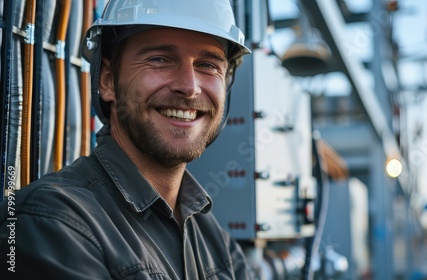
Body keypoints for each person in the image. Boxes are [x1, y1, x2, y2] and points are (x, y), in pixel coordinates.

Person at [0, 0, 253, 279]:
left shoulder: (215, 240)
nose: (189, 87)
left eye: (207, 65)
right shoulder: (50, 222)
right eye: (160, 59)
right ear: (107, 80)